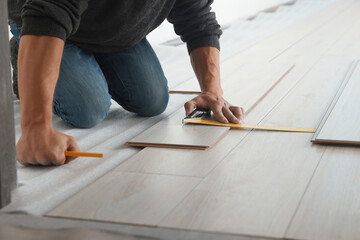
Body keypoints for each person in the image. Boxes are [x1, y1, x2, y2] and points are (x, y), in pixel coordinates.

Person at [8, 0, 245, 166]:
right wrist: (35, 128)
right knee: (88, 108)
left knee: (153, 100)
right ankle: (25, 54)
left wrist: (212, 92)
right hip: (41, 18)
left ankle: (83, 55)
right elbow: (48, 13)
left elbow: (197, 19)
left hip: (112, 24)